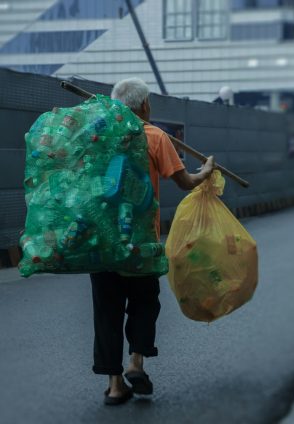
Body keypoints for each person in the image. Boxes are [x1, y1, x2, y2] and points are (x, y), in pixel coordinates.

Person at [90, 78, 215, 405]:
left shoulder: (97, 137)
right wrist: (206, 172)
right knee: (145, 301)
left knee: (107, 310)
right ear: (144, 105)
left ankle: (115, 386)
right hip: (141, 242)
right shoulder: (155, 137)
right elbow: (185, 182)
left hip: (102, 241)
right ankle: (135, 362)